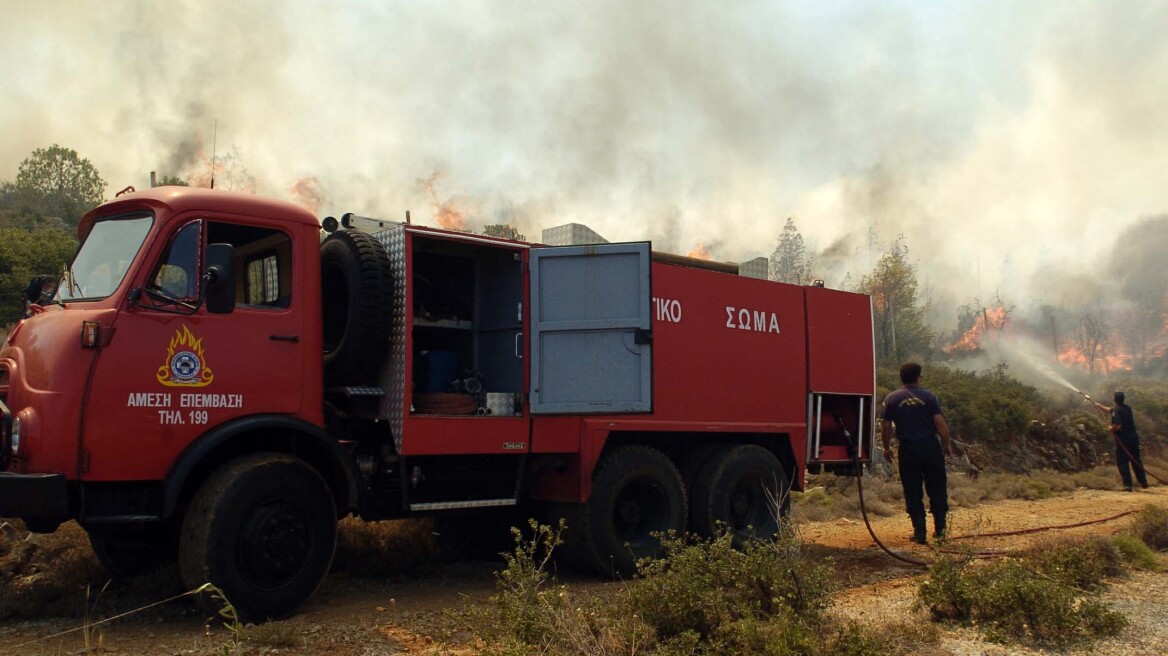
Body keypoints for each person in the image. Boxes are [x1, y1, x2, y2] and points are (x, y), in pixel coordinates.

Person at [881, 362, 954, 544]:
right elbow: (939, 422)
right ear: (918, 377)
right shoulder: (929, 397)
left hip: (908, 449)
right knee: (937, 486)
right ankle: (940, 531)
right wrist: (947, 444)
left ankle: (919, 533)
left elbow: (886, 427)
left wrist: (887, 448)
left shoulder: (892, 398)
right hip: (930, 446)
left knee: (912, 489)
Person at [1094, 392, 1149, 492]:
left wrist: (1110, 429)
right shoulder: (1127, 408)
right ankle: (1143, 482)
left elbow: (1118, 425)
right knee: (1136, 460)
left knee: (1122, 462)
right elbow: (1111, 410)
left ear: (1115, 399)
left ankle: (1127, 485)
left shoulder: (1117, 410)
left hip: (1123, 441)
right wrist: (1099, 406)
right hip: (1133, 439)